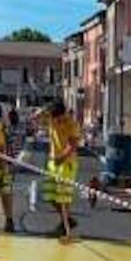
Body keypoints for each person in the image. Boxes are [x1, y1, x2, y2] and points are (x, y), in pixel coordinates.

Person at [42, 101, 82, 242]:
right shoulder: (51, 120)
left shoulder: (72, 124)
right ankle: (67, 220)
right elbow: (37, 118)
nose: (54, 121)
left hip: (67, 164)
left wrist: (62, 157)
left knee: (63, 197)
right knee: (50, 195)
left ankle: (66, 229)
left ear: (63, 114)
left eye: (57, 118)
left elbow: (73, 145)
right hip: (53, 162)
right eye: (53, 118)